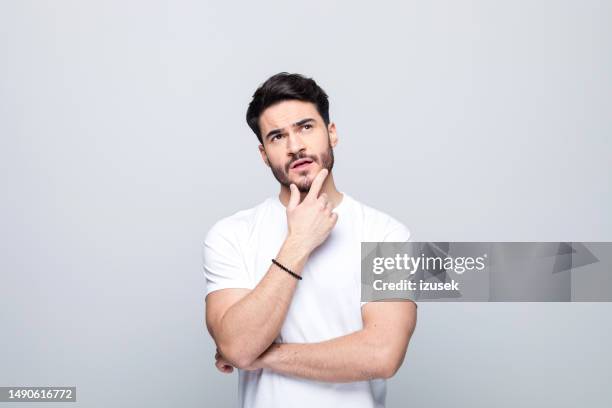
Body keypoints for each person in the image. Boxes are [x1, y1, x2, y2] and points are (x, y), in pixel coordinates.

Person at [202, 72, 417, 408]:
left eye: (306, 127)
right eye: (277, 137)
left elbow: (383, 354)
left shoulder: (387, 234)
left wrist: (262, 356)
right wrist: (299, 242)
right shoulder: (230, 235)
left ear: (331, 133)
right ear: (263, 154)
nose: (295, 146)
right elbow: (237, 345)